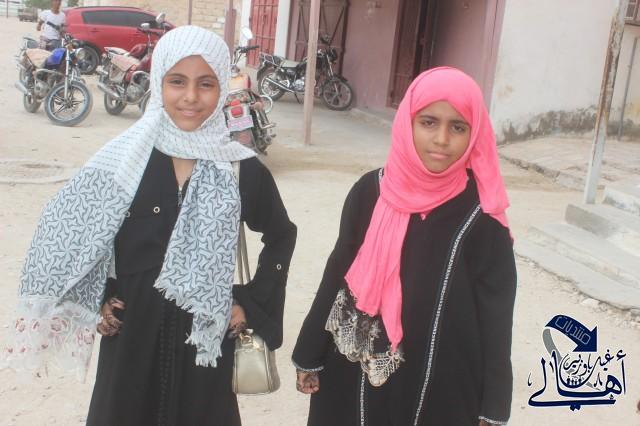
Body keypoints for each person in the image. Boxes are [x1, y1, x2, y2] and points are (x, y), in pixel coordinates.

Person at [2, 26, 296, 426]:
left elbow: (281, 235)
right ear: (158, 82)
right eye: (177, 81)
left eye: (206, 83)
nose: (190, 96)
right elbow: (80, 235)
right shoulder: (125, 161)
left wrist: (249, 303)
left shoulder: (238, 168)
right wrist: (101, 297)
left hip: (203, 344)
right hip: (131, 341)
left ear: (221, 89)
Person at [292, 67, 516, 426]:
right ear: (407, 122)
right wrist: (310, 352)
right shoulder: (370, 191)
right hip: (357, 369)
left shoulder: (482, 215)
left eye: (458, 127)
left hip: (441, 382)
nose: (442, 139)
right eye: (428, 122)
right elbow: (338, 272)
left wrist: (493, 405)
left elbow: (496, 314)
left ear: (475, 133)